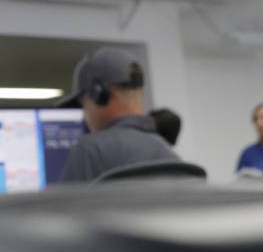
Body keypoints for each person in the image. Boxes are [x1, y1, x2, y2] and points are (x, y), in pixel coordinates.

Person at [54, 48, 180, 183]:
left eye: (83, 105)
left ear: (98, 95)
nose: (84, 117)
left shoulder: (89, 150)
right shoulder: (170, 155)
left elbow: (61, 204)